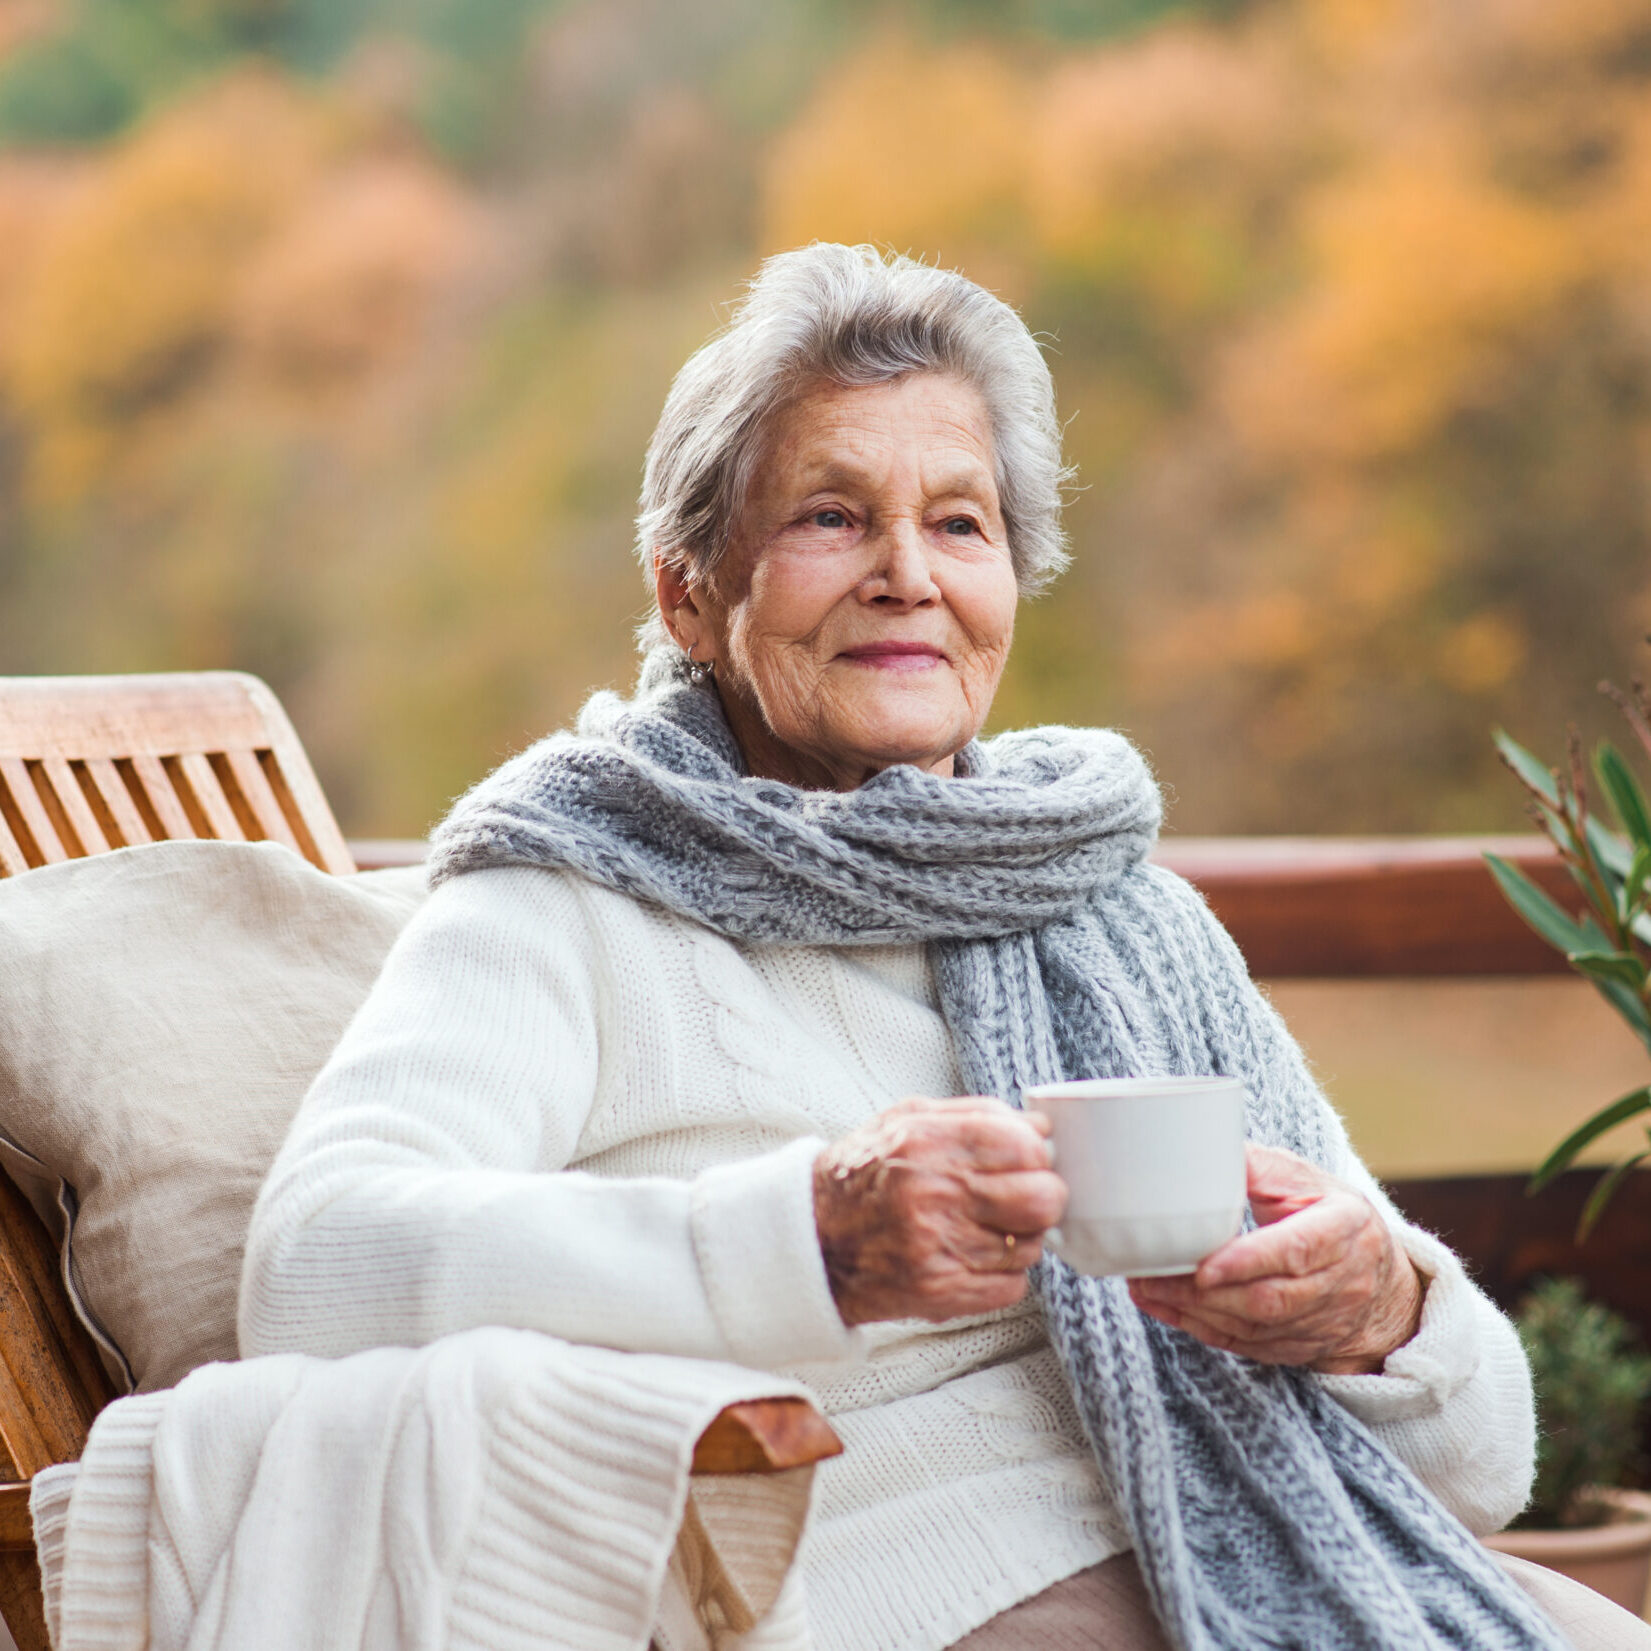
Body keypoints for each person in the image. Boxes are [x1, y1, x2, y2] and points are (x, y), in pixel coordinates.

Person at [240, 243, 1644, 1650]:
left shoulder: (1109, 903)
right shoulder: (565, 898)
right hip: (865, 1584)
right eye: (834, 517)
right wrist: (811, 1235)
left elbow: (1479, 1464)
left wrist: (1379, 1313)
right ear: (685, 592)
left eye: (961, 525)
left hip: (1253, 1547)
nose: (909, 576)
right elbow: (310, 1269)